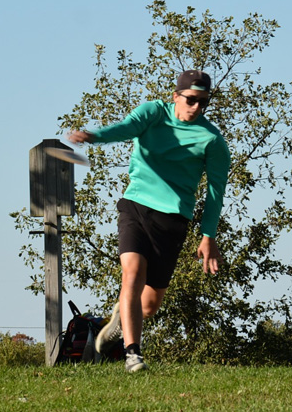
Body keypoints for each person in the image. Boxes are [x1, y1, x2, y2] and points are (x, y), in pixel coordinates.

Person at [68, 70, 231, 371]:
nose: (197, 107)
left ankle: (121, 317)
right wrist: (95, 136)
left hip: (173, 221)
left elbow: (215, 192)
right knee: (132, 273)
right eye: (191, 99)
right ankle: (133, 354)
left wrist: (208, 236)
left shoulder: (212, 140)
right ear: (176, 96)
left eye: (204, 102)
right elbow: (126, 128)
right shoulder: (153, 113)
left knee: (149, 306)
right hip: (137, 205)